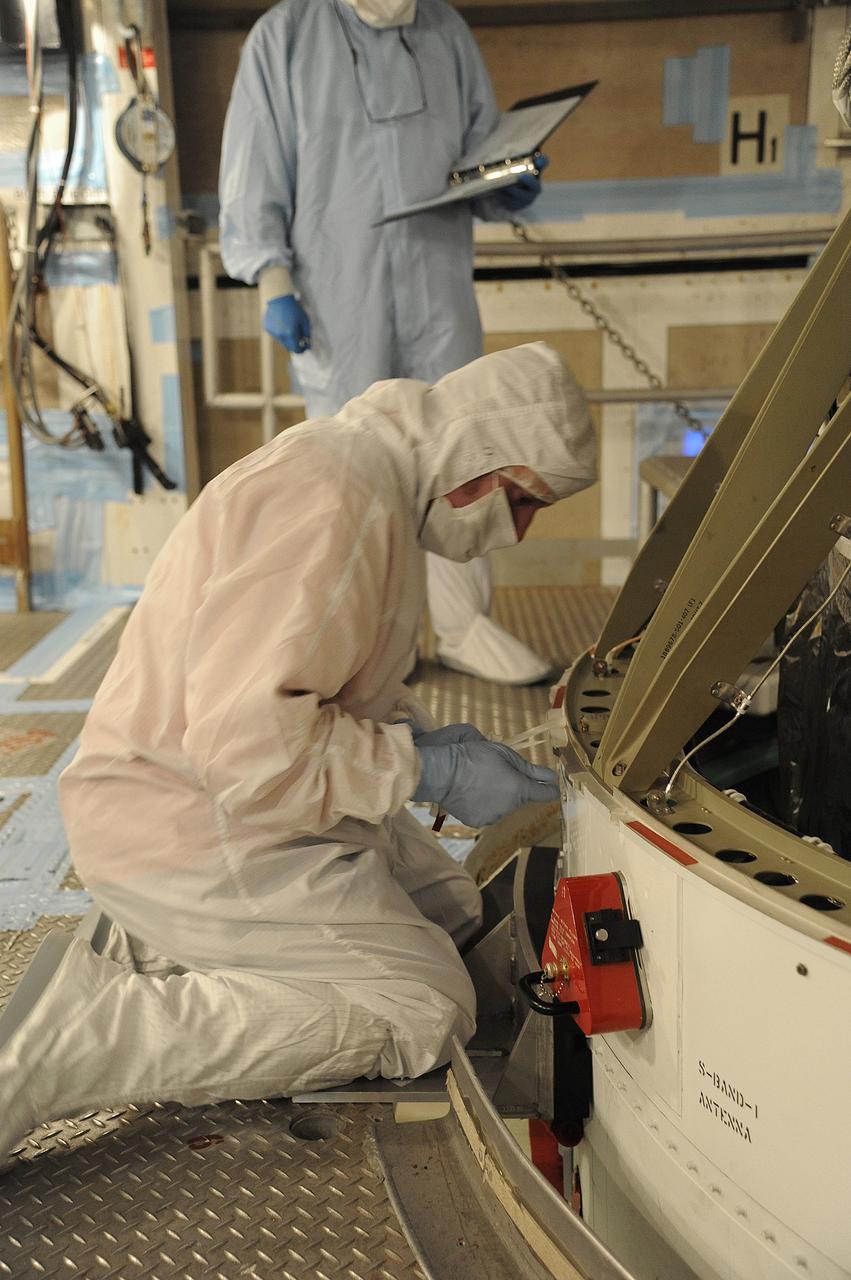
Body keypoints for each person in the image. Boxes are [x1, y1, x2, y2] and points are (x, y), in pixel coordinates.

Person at [0, 343, 595, 1157]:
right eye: (522, 503)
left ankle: (158, 944)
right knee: (421, 1004)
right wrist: (425, 768)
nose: (519, 531)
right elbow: (247, 749)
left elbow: (305, 680)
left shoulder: (364, 478)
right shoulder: (336, 500)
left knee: (450, 914)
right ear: (477, 467)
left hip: (208, 797)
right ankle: (73, 1042)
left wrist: (420, 741)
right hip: (194, 825)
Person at [218, 0, 556, 686]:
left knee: (458, 447)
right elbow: (254, 168)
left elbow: (475, 150)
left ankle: (464, 625)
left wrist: (506, 181)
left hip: (436, 284)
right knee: (352, 467)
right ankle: (362, 643)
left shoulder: (444, 30)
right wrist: (273, 280)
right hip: (339, 291)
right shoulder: (285, 38)